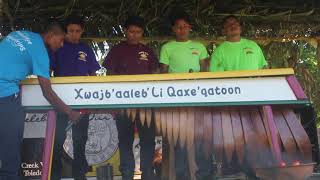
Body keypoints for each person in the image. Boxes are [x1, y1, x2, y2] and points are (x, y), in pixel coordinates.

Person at [0, 22, 81, 180]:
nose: (62, 44)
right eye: (61, 40)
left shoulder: (19, 34)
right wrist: (70, 112)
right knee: (10, 155)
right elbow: (47, 92)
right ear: (51, 35)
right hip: (5, 96)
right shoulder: (41, 52)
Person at [102, 16, 158, 180]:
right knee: (125, 140)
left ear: (142, 33)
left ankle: (147, 174)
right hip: (123, 102)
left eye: (138, 32)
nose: (134, 34)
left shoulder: (147, 51)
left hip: (146, 102)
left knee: (147, 140)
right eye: (131, 31)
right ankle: (127, 174)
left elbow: (155, 74)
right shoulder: (117, 50)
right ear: (125, 31)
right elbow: (109, 73)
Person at [160, 11, 211, 180]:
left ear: (189, 27)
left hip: (198, 98)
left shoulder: (200, 47)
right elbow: (164, 73)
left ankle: (204, 174)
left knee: (200, 137)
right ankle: (181, 175)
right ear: (173, 29)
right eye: (178, 27)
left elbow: (205, 72)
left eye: (184, 26)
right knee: (180, 139)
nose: (181, 30)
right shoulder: (167, 47)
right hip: (176, 100)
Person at [50, 16, 100, 180]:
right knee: (58, 140)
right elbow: (48, 71)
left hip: (82, 101)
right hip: (60, 100)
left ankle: (80, 175)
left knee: (80, 140)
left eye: (77, 31)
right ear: (65, 31)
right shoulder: (58, 47)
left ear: (82, 31)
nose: (74, 34)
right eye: (71, 31)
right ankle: (55, 175)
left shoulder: (86, 48)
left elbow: (93, 74)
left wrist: (93, 97)